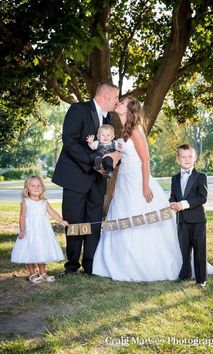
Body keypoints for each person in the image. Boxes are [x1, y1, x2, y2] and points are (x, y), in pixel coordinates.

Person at [92, 96, 184, 281]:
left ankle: (145, 265)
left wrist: (145, 186)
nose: (119, 103)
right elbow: (123, 162)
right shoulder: (123, 130)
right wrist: (116, 186)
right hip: (124, 182)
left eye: (123, 102)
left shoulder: (136, 130)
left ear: (130, 109)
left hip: (138, 182)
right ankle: (118, 264)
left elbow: (145, 160)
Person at [52, 82, 120, 275]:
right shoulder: (78, 109)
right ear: (106, 95)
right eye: (116, 97)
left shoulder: (109, 118)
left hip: (97, 182)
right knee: (74, 222)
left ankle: (90, 265)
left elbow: (110, 147)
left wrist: (114, 160)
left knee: (93, 223)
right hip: (75, 177)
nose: (117, 101)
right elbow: (70, 142)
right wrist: (96, 162)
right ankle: (72, 265)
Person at [11, 175, 69, 284]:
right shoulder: (26, 202)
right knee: (29, 251)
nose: (36, 188)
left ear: (42, 187)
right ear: (27, 189)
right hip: (30, 231)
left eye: (39, 185)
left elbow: (52, 212)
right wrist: (22, 230)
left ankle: (43, 272)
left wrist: (61, 221)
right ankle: (32, 273)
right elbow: (22, 217)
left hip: (42, 231)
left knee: (41, 250)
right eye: (33, 186)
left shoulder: (44, 202)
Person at [169, 144, 210, 287]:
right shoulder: (174, 178)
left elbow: (202, 198)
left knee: (199, 250)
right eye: (183, 157)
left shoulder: (201, 177)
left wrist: (184, 204)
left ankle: (201, 279)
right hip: (182, 220)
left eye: (190, 157)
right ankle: (185, 274)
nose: (187, 160)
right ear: (178, 159)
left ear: (195, 158)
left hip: (198, 220)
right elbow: (173, 195)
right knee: (184, 249)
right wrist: (173, 203)